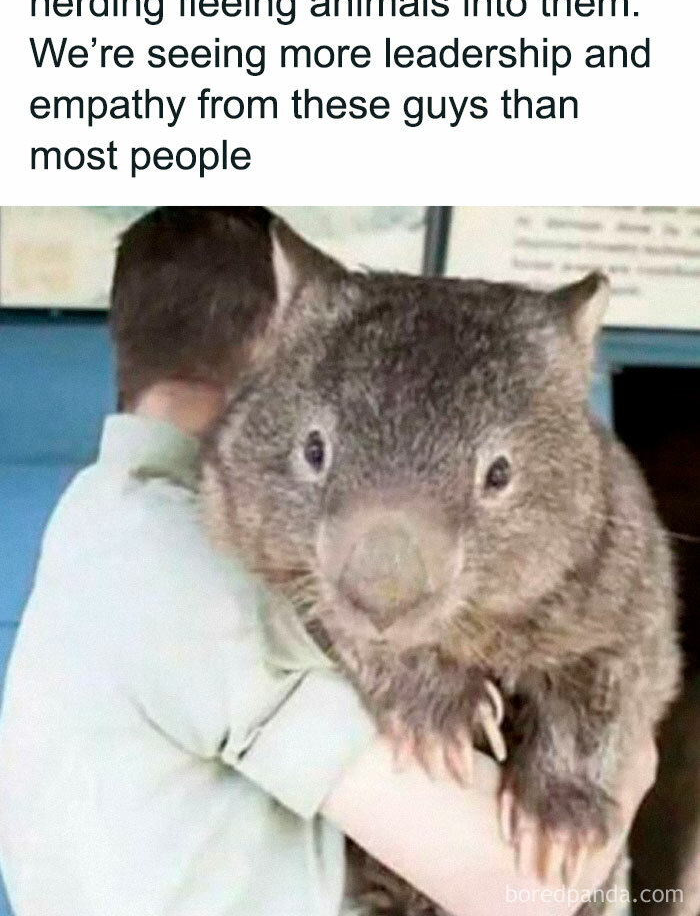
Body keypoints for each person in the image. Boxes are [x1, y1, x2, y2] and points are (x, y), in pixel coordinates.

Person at [0, 206, 656, 916]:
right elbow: (517, 891)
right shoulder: (186, 561)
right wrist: (630, 768)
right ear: (273, 358)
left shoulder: (99, 520)